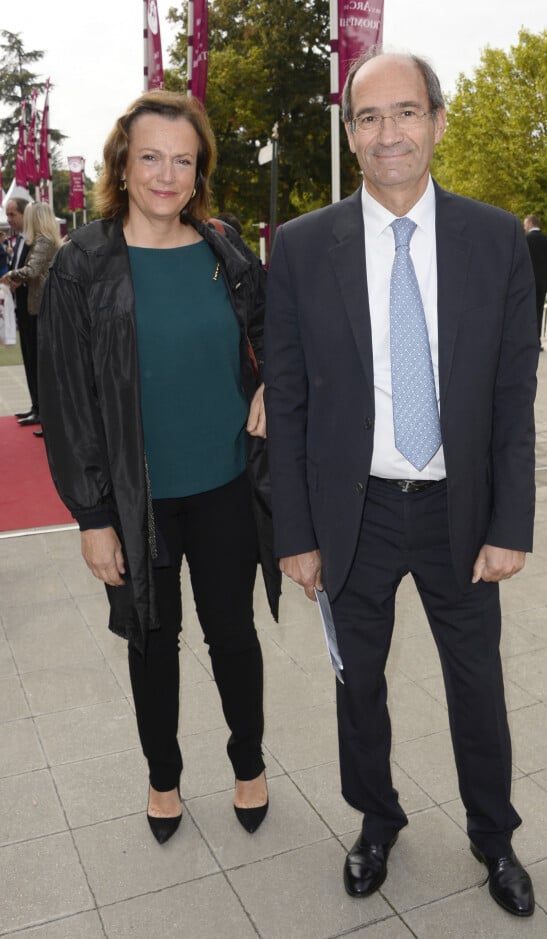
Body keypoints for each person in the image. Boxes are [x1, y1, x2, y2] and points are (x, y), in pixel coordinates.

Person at [265, 49, 538, 917]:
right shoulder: (304, 248)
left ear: (438, 121)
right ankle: (376, 820)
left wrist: (511, 522)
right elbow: (293, 402)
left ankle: (493, 835)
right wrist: (296, 534)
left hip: (461, 513)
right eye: (369, 117)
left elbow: (510, 398)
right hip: (357, 515)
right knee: (360, 685)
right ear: (351, 134)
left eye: (407, 112)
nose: (390, 133)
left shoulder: (497, 239)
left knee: (478, 687)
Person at [38, 90, 280, 844]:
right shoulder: (84, 264)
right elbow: (68, 400)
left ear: (198, 168)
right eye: (151, 157)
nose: (167, 174)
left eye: (183, 159)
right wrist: (93, 517)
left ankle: (249, 761)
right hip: (137, 497)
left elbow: (275, 331)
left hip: (225, 485)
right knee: (153, 637)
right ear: (123, 164)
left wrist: (272, 378)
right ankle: (163, 776)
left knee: (232, 632)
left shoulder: (225, 249)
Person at [2, 202, 61, 437]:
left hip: (41, 309)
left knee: (42, 365)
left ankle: (47, 415)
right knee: (35, 362)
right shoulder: (39, 241)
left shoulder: (44, 241)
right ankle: (39, 410)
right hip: (34, 308)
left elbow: (33, 270)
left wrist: (9, 275)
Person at [4, 198, 38, 425]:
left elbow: (33, 271)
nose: (9, 220)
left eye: (12, 215)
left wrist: (15, 279)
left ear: (25, 214)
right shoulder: (18, 240)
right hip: (22, 310)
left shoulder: (35, 240)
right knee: (28, 358)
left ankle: (42, 410)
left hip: (36, 310)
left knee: (37, 360)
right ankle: (35, 406)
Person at [524, 214, 547, 350]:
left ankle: (527, 342)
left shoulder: (525, 240)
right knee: (538, 312)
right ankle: (537, 341)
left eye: (525, 224)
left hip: (526, 283)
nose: (524, 227)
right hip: (542, 283)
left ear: (530, 224)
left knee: (525, 312)